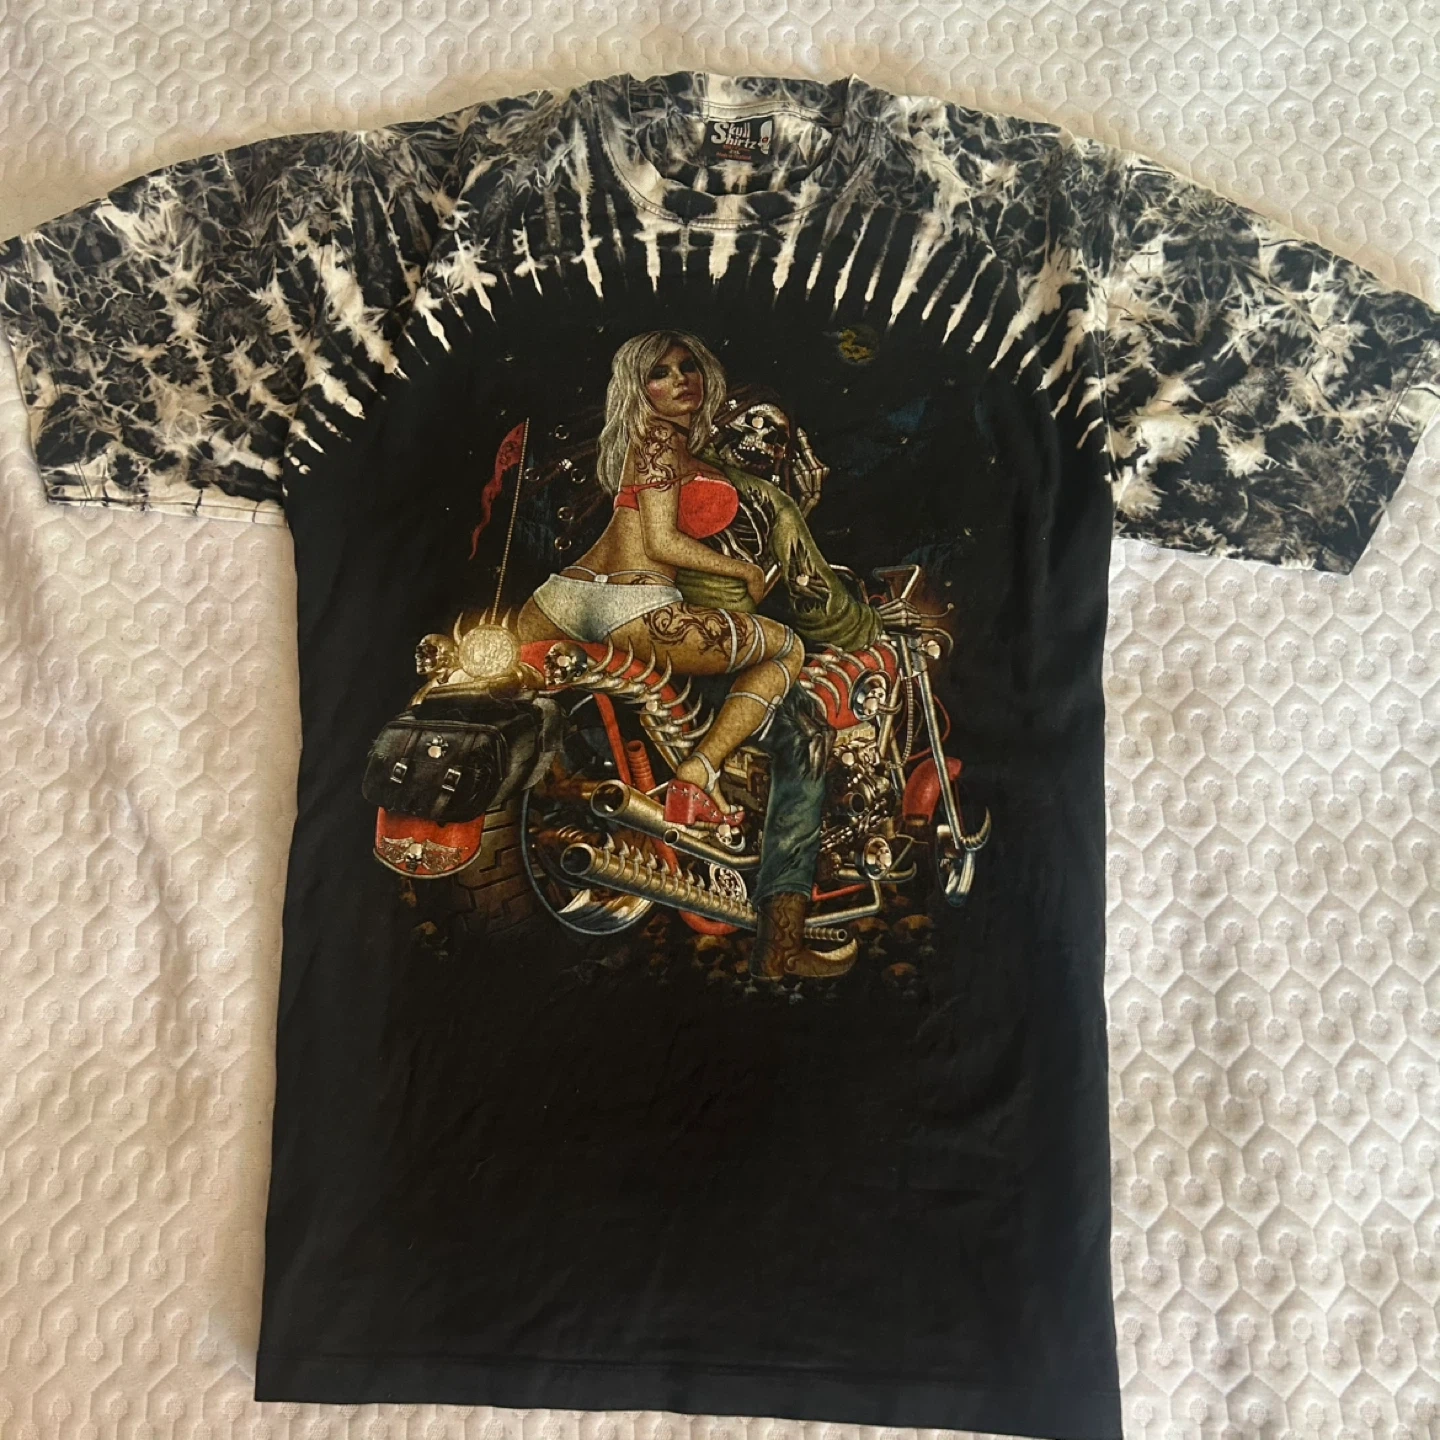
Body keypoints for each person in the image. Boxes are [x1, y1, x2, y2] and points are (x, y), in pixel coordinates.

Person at [516, 329, 805, 832]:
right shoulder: (658, 438)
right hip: (633, 607)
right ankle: (699, 772)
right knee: (787, 650)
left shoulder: (657, 441)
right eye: (660, 373)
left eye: (688, 367)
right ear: (638, 386)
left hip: (559, 599)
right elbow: (661, 543)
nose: (680, 380)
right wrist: (744, 570)